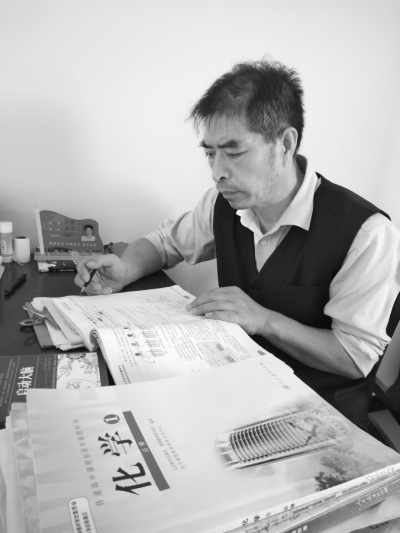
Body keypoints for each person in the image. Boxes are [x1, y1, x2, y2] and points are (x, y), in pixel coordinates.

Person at [75, 59, 400, 424]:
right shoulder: (224, 203)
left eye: (234, 153)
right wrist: (126, 269)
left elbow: (355, 357)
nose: (217, 173)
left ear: (285, 144)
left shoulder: (367, 233)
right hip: (233, 387)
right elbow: (165, 243)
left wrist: (263, 320)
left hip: (316, 414)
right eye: (210, 154)